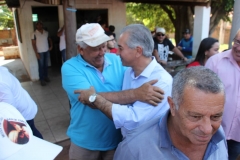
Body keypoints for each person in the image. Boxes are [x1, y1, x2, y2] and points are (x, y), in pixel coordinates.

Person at [61, 23, 164, 160]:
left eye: (103, 46)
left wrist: (94, 96)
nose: (102, 52)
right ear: (81, 49)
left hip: (116, 141)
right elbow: (90, 101)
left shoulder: (117, 60)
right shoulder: (70, 67)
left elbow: (93, 97)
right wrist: (136, 94)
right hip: (85, 143)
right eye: (95, 49)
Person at [75, 24, 172, 138]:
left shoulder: (161, 81)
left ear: (138, 51)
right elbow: (122, 100)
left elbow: (134, 120)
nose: (116, 53)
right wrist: (94, 98)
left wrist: (94, 98)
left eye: (120, 48)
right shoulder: (128, 72)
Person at [113, 66, 227, 160]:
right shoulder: (134, 149)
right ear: (172, 106)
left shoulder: (219, 134)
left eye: (216, 116)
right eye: (195, 116)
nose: (208, 129)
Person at [205, 29, 240, 160]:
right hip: (212, 131)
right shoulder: (215, 62)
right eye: (237, 42)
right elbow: (202, 94)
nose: (238, 48)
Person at [0, 66, 43, 139]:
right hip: (23, 106)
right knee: (29, 132)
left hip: (22, 112)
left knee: (28, 133)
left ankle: (43, 148)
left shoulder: (1, 82)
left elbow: (9, 107)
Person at [31, 21, 53, 86]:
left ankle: (46, 77)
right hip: (39, 52)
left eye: (41, 25)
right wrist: (36, 53)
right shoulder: (34, 34)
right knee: (41, 66)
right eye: (38, 25)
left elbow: (50, 39)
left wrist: (51, 46)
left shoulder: (46, 32)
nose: (39, 26)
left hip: (46, 51)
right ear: (36, 26)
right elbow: (33, 44)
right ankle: (42, 79)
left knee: (46, 65)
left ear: (42, 25)